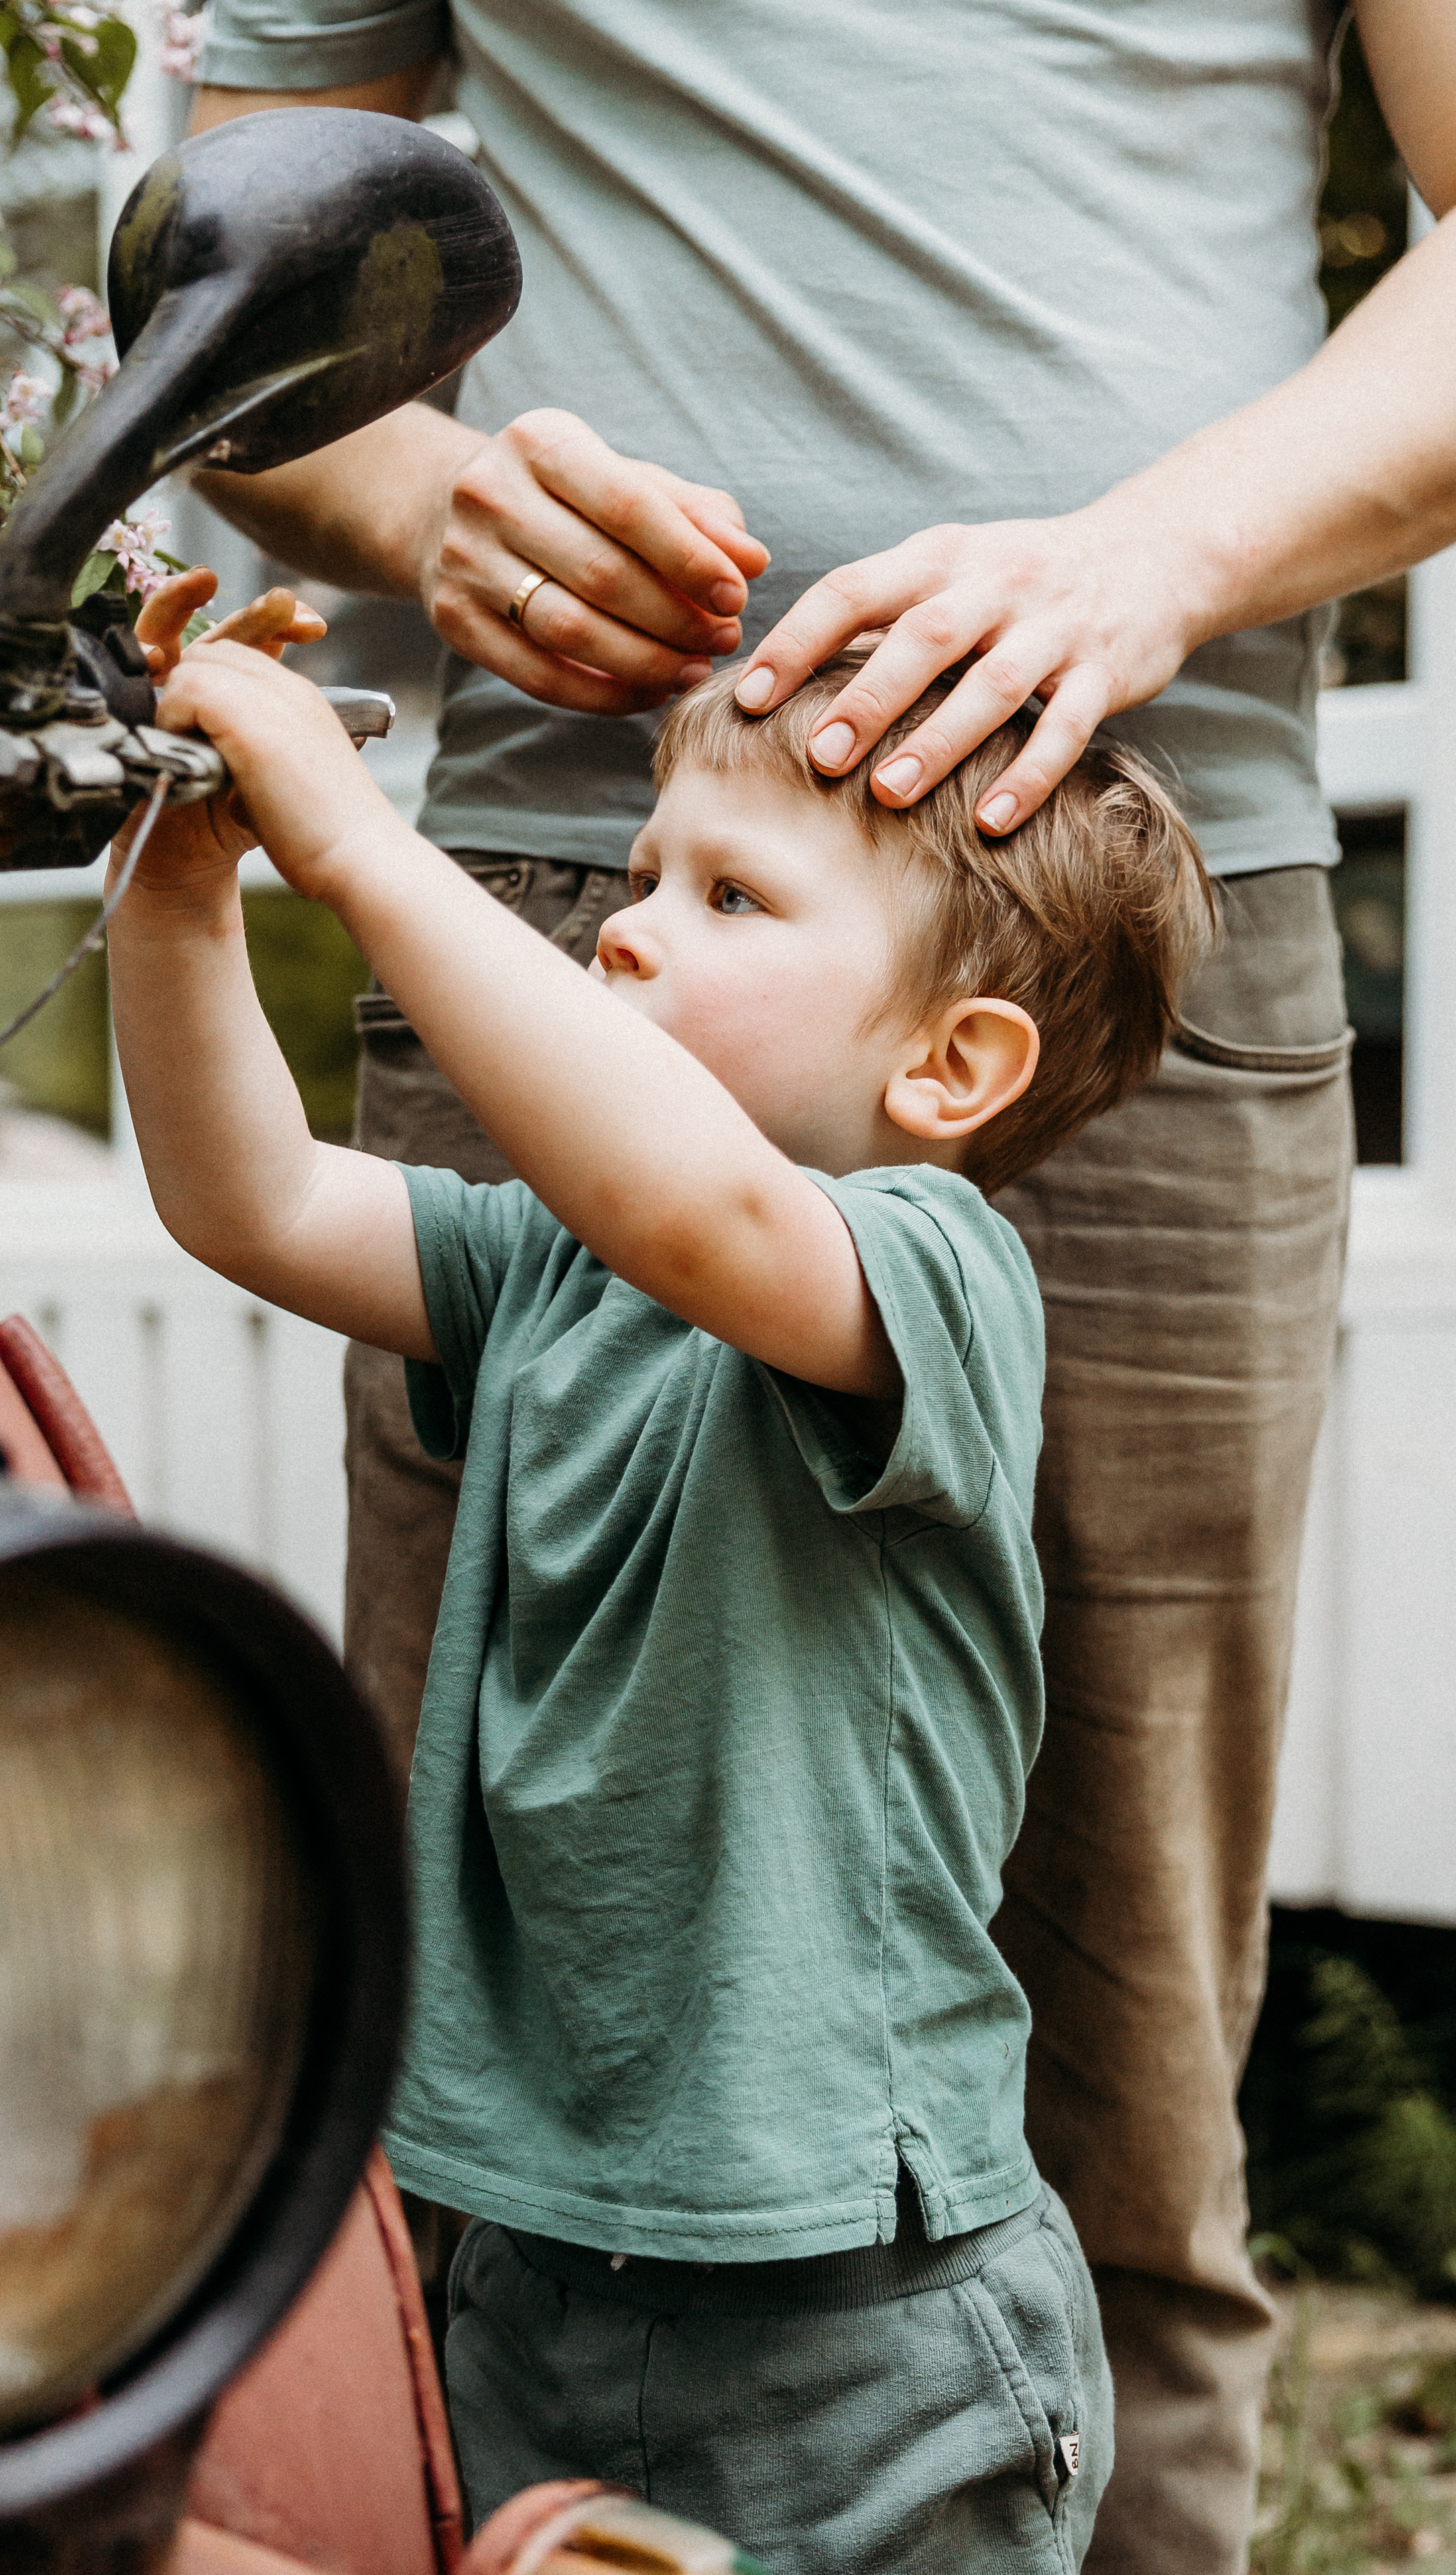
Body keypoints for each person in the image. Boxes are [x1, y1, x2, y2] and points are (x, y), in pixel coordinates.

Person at [182, 7, 1456, 2568]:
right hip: (562, 853)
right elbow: (229, 288)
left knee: (1123, 2096)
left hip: (1136, 909)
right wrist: (420, 506)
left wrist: (1149, 560)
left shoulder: (875, 1238)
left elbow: (713, 1221)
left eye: (724, 904)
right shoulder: (599, 1109)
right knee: (477, 2061)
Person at [107, 604, 1215, 2570]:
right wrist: (185, 883)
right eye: (637, 878)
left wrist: (362, 843)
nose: (627, 926)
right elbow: (252, 1200)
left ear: (955, 1065)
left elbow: (698, 1210)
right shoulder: (552, 1265)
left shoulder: (933, 1273)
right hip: (546, 2246)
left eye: (729, 898)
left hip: (857, 2306)